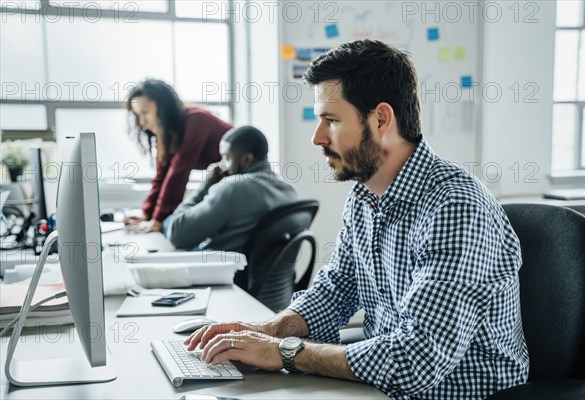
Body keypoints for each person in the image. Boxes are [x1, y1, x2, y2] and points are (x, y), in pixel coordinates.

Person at [184, 39, 529, 399]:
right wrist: (269, 330)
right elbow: (336, 289)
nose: (317, 137)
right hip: (382, 389)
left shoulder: (456, 207)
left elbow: (416, 360)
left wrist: (284, 352)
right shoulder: (364, 197)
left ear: (381, 119)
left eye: (331, 120)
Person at [166, 125, 298, 253]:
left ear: (246, 159)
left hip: (224, 272)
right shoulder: (290, 190)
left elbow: (177, 235)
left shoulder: (232, 188)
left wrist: (207, 183)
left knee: (167, 227)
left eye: (226, 157)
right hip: (271, 275)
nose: (221, 164)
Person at [124, 79, 232, 233]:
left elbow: (178, 173)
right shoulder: (166, 134)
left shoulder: (197, 120)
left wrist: (158, 220)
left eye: (145, 113)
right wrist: (146, 214)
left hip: (247, 173)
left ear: (162, 108)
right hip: (225, 178)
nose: (142, 122)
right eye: (138, 115)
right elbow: (162, 176)